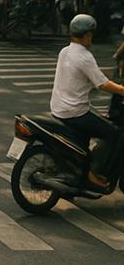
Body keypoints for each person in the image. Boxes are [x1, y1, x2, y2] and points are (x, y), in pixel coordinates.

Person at [51, 15, 124, 190]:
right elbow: (103, 84)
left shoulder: (65, 51)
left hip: (58, 108)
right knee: (113, 134)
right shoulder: (84, 57)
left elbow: (87, 77)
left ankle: (80, 173)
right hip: (75, 113)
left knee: (85, 137)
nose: (92, 37)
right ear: (86, 35)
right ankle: (93, 174)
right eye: (91, 34)